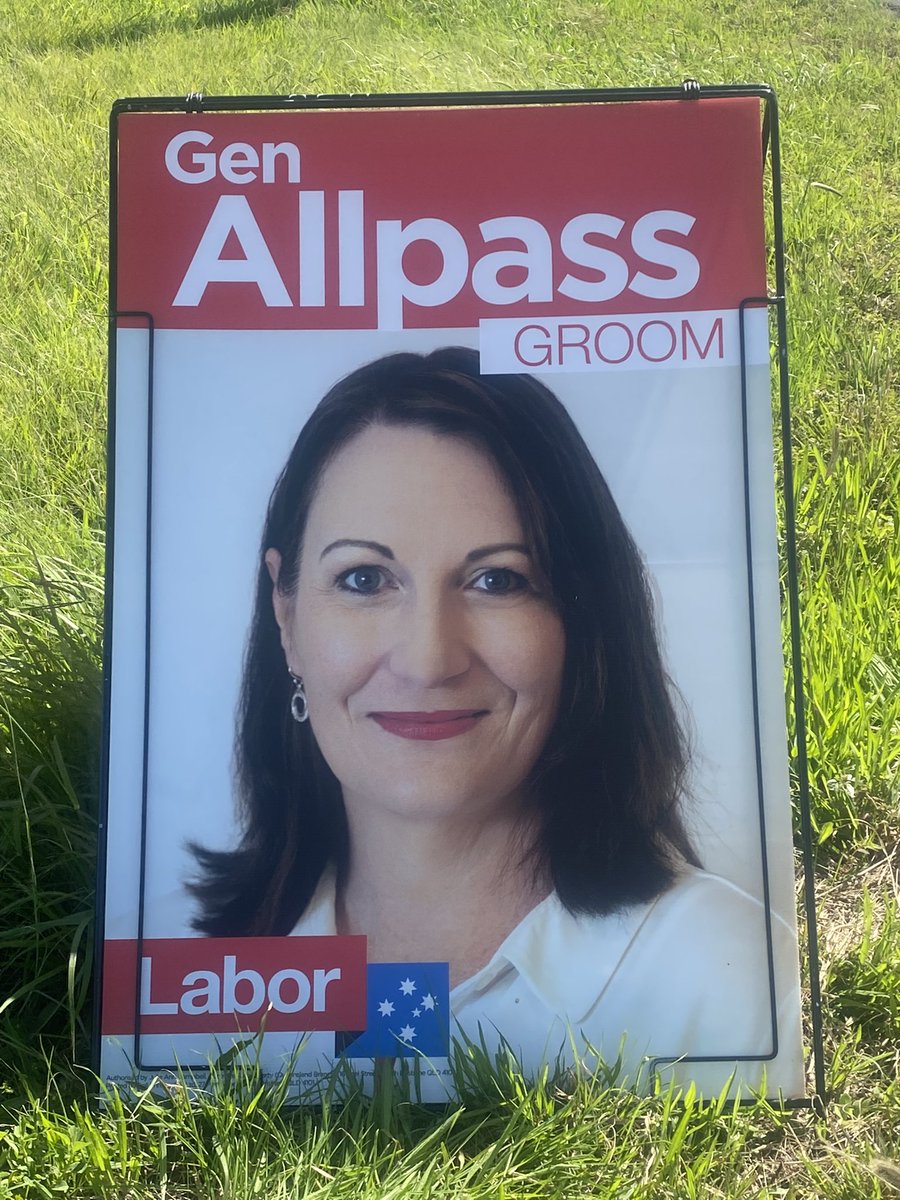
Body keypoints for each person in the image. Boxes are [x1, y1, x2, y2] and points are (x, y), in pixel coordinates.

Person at [190, 346, 800, 1089]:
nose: (428, 659)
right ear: (286, 613)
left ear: (582, 621)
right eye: (363, 578)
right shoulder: (190, 974)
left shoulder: (726, 986)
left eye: (497, 580)